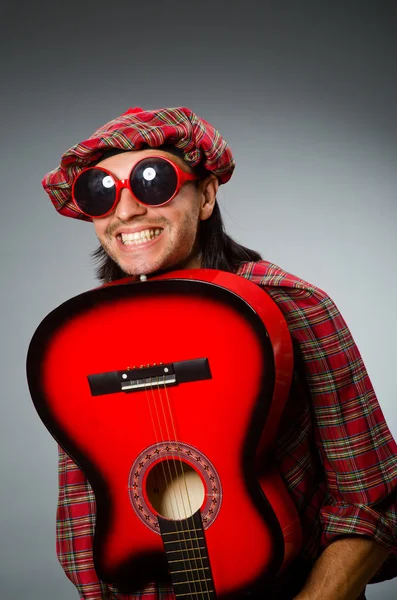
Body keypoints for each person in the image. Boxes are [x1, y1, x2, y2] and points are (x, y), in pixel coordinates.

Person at [42, 107, 397, 600]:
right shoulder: (80, 340)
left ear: (206, 196)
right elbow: (86, 518)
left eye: (152, 181)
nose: (125, 213)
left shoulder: (291, 307)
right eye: (101, 194)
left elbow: (374, 498)